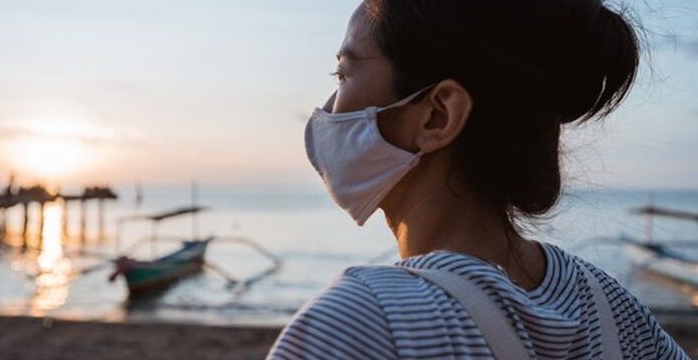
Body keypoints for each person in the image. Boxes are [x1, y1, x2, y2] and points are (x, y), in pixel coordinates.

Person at [267, 0, 690, 359]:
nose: (327, 108)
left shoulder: (359, 326)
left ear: (437, 115)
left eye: (343, 76)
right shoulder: (616, 312)